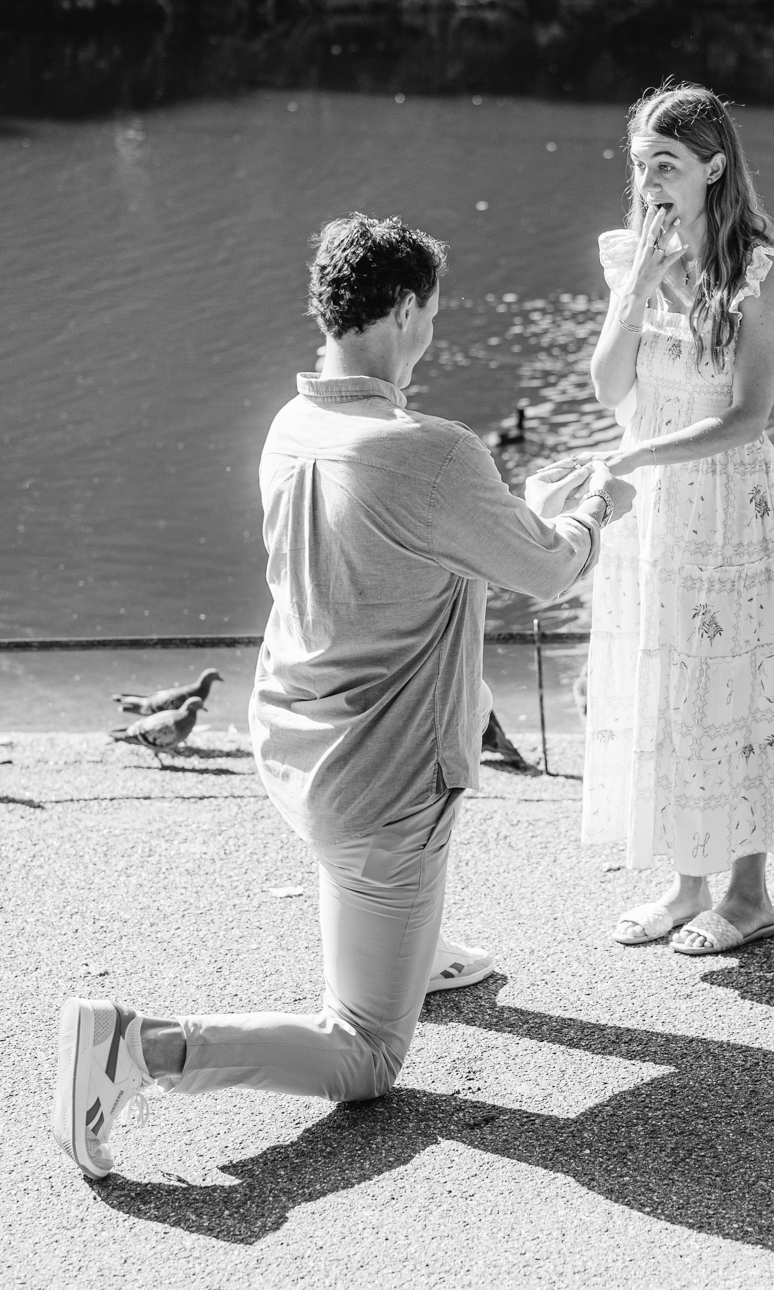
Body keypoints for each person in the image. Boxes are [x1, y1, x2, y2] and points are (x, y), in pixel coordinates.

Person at [52, 213, 634, 1180]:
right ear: (403, 310)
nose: (432, 336)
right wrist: (587, 510)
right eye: (433, 317)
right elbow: (544, 573)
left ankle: (414, 943)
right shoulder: (433, 451)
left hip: (294, 739)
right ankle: (137, 1048)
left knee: (376, 884)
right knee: (366, 1056)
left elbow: (401, 560)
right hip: (378, 784)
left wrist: (510, 515)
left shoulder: (293, 425)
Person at [577, 84, 774, 954]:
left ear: (715, 166)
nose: (648, 183)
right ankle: (686, 886)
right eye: (640, 165)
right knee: (665, 686)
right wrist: (633, 289)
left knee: (732, 689)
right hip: (652, 509)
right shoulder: (631, 256)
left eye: (666, 166)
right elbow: (609, 390)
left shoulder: (767, 274)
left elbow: (749, 414)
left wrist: (636, 458)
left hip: (726, 504)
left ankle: (749, 897)